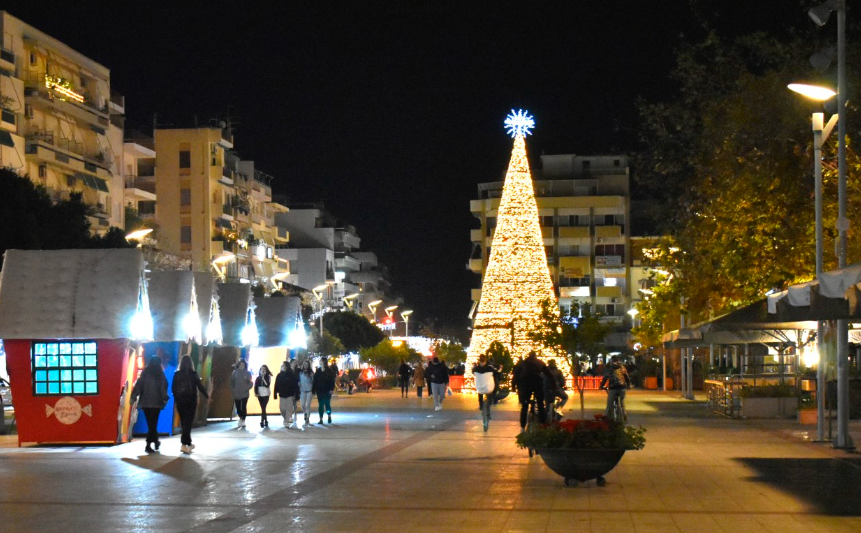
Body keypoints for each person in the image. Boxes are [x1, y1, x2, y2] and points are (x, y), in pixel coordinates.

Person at [130, 356, 168, 453]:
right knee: (153, 424)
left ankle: (154, 442)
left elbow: (139, 384)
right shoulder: (160, 374)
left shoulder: (145, 373)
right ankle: (149, 444)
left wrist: (133, 397)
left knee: (151, 424)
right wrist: (165, 398)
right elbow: (164, 387)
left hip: (146, 403)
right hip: (156, 403)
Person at [172, 355, 209, 454]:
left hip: (180, 401)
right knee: (187, 423)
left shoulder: (177, 374)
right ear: (190, 363)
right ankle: (184, 444)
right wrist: (207, 396)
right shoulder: (193, 374)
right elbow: (200, 386)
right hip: (191, 401)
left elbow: (173, 388)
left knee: (184, 422)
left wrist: (177, 400)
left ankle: (188, 443)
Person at [512, 351, 548, 430]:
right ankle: (543, 423)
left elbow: (516, 375)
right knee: (540, 404)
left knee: (524, 406)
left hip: (526, 386)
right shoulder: (540, 363)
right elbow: (548, 374)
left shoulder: (523, 363)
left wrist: (513, 387)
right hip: (537, 386)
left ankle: (522, 426)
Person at [600, 355, 631, 420]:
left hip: (613, 388)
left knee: (610, 404)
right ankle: (624, 414)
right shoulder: (622, 368)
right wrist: (628, 385)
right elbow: (627, 377)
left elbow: (605, 379)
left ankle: (607, 418)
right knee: (622, 402)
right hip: (623, 388)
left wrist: (601, 386)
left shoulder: (609, 369)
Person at [473, 354, 496, 430]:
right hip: (488, 387)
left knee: (480, 394)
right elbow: (495, 372)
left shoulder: (476, 368)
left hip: (480, 387)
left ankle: (481, 406)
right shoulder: (490, 368)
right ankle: (488, 406)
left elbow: (473, 372)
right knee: (489, 394)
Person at [274, 362, 300, 428]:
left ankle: (287, 421)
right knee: (282, 409)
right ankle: (286, 418)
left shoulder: (291, 375)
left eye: (284, 365)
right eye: (282, 365)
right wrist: (275, 393)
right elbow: (276, 385)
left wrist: (297, 394)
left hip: (289, 394)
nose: (283, 367)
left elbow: (295, 385)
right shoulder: (279, 375)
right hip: (282, 394)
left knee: (289, 409)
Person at [230, 359, 253, 428]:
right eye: (240, 364)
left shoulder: (247, 373)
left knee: (243, 406)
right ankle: (240, 417)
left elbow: (251, 383)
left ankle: (243, 420)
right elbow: (232, 382)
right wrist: (233, 389)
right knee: (238, 407)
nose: (241, 366)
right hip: (237, 393)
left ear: (245, 365)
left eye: (243, 364)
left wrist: (246, 388)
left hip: (245, 393)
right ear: (238, 365)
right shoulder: (234, 373)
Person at [312, 358, 336, 424]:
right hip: (320, 391)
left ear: (323, 362)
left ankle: (329, 415)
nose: (319, 362)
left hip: (327, 390)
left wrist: (331, 389)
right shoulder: (318, 371)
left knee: (327, 404)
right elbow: (315, 381)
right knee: (321, 405)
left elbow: (332, 381)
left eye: (320, 361)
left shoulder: (329, 371)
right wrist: (314, 390)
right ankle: (321, 418)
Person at [298, 359, 314, 425]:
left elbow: (313, 382)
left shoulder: (311, 373)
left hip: (309, 390)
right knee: (302, 405)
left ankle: (307, 417)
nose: (306, 366)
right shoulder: (300, 373)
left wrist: (309, 377)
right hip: (302, 390)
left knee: (308, 405)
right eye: (304, 364)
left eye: (307, 364)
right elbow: (299, 381)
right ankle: (305, 413)